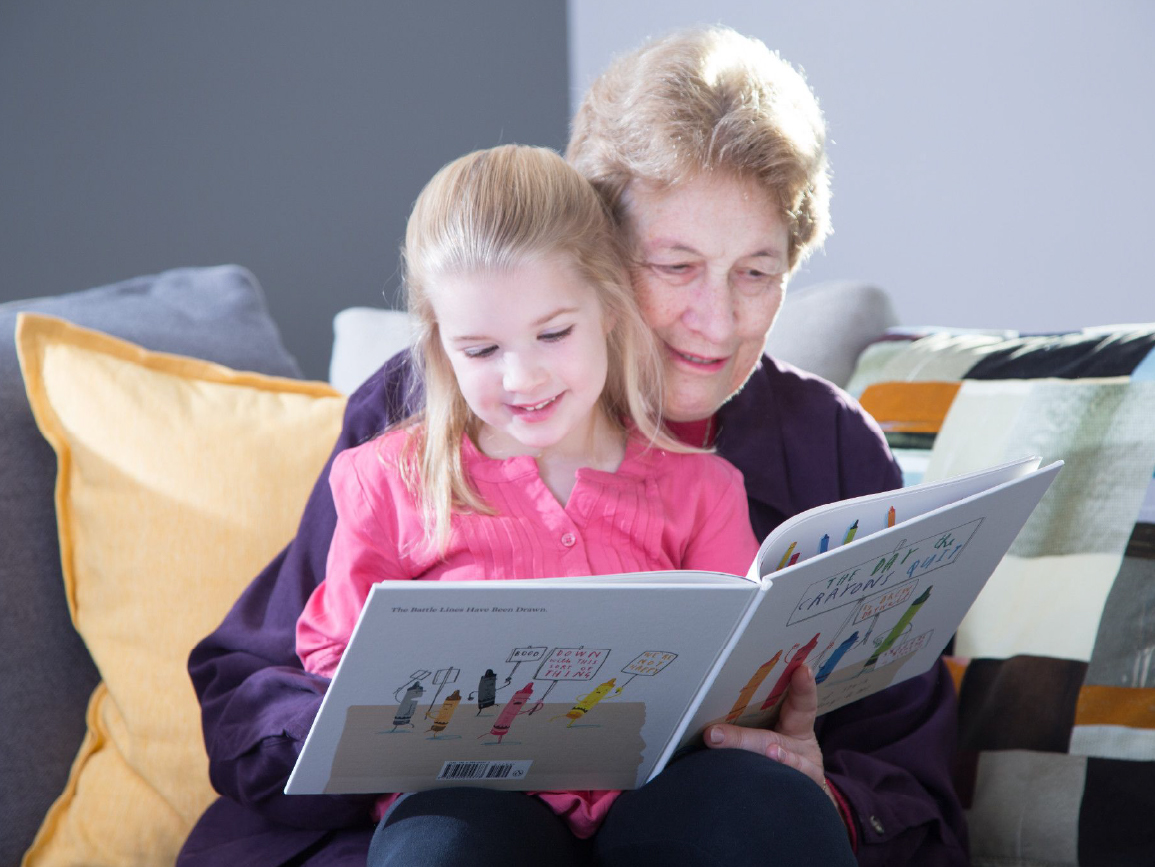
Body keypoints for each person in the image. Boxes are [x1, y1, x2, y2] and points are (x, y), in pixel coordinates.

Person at [180, 25, 967, 867]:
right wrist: (393, 734)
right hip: (460, 816)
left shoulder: (826, 445)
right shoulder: (425, 416)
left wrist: (821, 788)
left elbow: (910, 768)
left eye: (755, 272)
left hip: (703, 817)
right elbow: (260, 683)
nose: (718, 320)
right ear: (594, 254)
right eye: (674, 265)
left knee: (766, 815)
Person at [294, 142, 762, 839]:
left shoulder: (702, 488)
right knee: (441, 845)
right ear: (441, 345)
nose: (521, 378)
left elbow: (738, 673)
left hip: (654, 795)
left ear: (607, 306)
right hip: (472, 800)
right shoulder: (387, 480)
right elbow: (334, 654)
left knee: (764, 805)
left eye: (552, 333)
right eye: (481, 350)